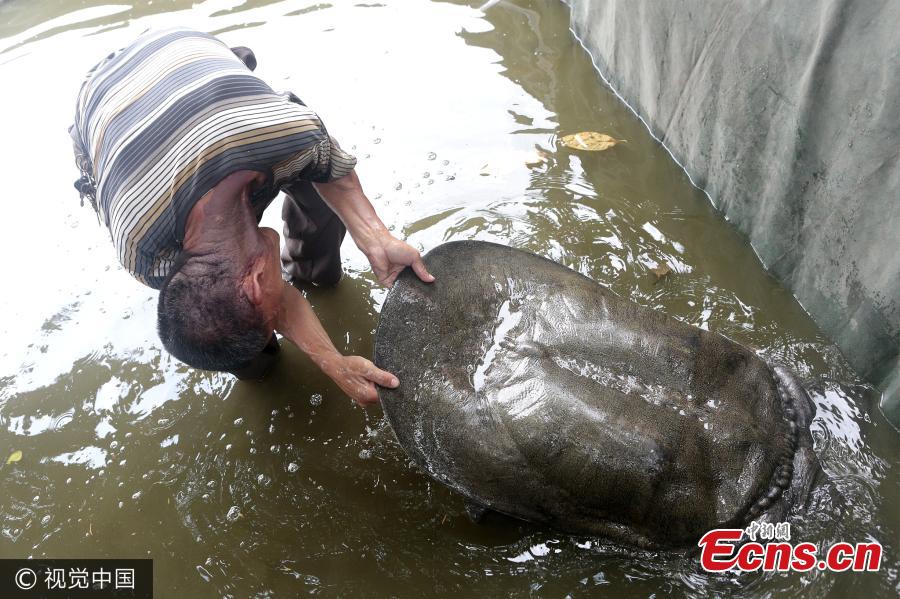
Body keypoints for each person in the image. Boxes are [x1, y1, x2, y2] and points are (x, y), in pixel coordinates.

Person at [69, 28, 434, 406]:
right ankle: (259, 367)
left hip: (181, 52)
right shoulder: (142, 251)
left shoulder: (287, 136)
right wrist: (333, 362)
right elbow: (243, 299)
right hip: (101, 104)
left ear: (258, 280)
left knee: (317, 198)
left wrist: (375, 237)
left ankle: (314, 272)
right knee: (220, 331)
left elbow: (334, 175)